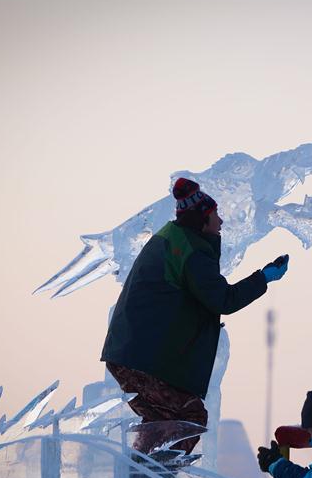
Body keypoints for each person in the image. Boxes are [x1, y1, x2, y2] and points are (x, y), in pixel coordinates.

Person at [102, 177, 289, 455]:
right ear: (202, 220)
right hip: (144, 359)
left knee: (161, 422)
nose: (221, 223)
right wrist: (263, 278)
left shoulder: (172, 238)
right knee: (190, 418)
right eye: (215, 216)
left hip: (129, 354)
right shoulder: (191, 250)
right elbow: (222, 299)